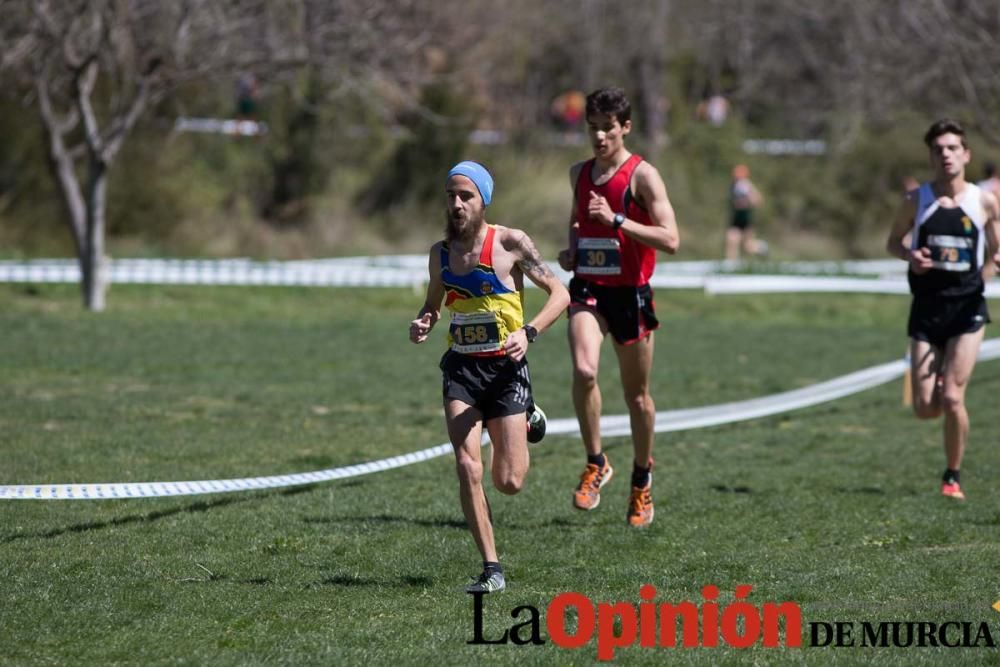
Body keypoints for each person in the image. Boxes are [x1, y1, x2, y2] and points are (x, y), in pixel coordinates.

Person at [410, 161, 569, 593]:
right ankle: (491, 569)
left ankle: (530, 414)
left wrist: (529, 331)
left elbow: (562, 293)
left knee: (509, 481)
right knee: (467, 466)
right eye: (451, 196)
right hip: (461, 369)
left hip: (506, 369)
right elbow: (433, 303)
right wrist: (424, 321)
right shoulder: (440, 255)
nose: (457, 204)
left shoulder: (511, 243)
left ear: (483, 200)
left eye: (466, 196)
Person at [557, 87, 680, 527]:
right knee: (585, 370)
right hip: (589, 285)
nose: (599, 137)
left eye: (607, 128)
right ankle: (596, 461)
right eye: (592, 129)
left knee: (637, 398)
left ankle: (642, 480)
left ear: (625, 127)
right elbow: (577, 221)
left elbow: (671, 240)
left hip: (631, 293)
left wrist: (619, 221)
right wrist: (571, 252)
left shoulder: (643, 176)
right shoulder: (579, 173)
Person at [886, 118, 1000, 501]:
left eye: (953, 148)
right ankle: (936, 385)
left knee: (953, 398)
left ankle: (952, 475)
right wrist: (910, 256)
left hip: (967, 310)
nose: (946, 155)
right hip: (926, 310)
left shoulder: (983, 201)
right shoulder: (916, 201)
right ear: (931, 157)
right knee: (925, 409)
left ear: (966, 154)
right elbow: (892, 243)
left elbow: (997, 247)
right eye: (939, 149)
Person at [725, 164, 765, 261]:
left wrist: (747, 202)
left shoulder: (747, 185)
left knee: (748, 246)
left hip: (746, 219)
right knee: (731, 240)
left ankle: (762, 248)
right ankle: (731, 264)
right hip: (736, 218)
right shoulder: (733, 186)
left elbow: (758, 200)